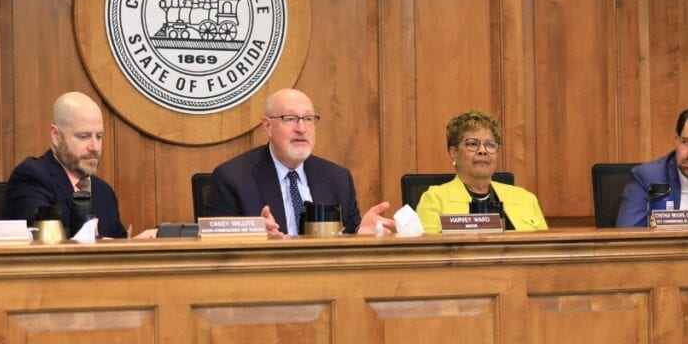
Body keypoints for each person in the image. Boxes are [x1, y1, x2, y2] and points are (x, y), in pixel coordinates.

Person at [206, 88, 395, 237]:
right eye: (290, 119)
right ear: (268, 126)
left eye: (308, 119)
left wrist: (361, 235)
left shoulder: (338, 178)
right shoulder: (233, 178)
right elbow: (219, 246)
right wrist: (254, 237)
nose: (301, 128)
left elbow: (348, 238)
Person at [3, 92, 128, 238]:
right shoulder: (32, 177)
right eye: (84, 136)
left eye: (99, 136)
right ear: (56, 136)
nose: (95, 147)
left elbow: (119, 242)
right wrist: (108, 244)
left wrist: (136, 244)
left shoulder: (104, 191)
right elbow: (45, 237)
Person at [416, 109, 547, 233]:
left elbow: (546, 249)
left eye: (490, 145)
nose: (483, 151)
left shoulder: (525, 199)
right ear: (454, 152)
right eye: (472, 144)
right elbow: (429, 252)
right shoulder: (435, 199)